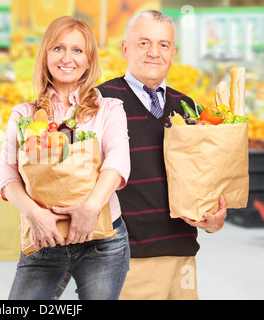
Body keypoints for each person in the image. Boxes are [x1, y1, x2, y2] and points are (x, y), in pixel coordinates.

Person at [0, 16, 130, 300]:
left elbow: (117, 161)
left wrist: (90, 208)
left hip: (102, 241)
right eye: (58, 48)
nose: (67, 58)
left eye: (77, 50)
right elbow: (6, 172)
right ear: (45, 55)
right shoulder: (24, 114)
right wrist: (34, 214)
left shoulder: (109, 108)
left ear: (89, 60)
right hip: (43, 235)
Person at [96, 10, 227, 300]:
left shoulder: (188, 107)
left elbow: (202, 179)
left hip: (182, 254)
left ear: (173, 52)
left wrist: (214, 218)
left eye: (163, 44)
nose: (154, 52)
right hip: (126, 256)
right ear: (125, 48)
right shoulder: (100, 102)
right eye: (143, 43)